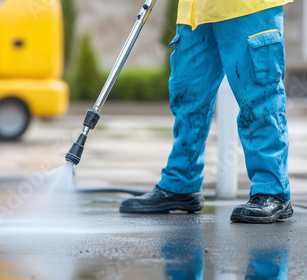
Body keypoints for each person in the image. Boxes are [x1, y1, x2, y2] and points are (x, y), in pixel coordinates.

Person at [120, 0, 295, 223]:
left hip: (247, 6)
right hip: (195, 11)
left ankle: (272, 190)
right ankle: (181, 183)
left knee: (259, 96)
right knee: (188, 97)